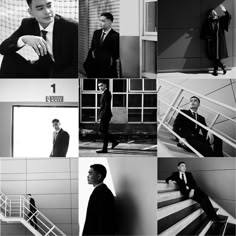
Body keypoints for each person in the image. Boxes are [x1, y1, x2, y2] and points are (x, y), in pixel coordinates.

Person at [0, 0, 78, 78]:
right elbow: (3, 49)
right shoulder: (28, 24)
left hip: (66, 75)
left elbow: (76, 66)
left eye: (49, 5)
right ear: (31, 12)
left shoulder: (72, 27)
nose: (47, 12)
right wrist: (24, 39)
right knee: (9, 59)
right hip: (43, 71)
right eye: (40, 8)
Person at [83, 12, 120, 78]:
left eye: (103, 21)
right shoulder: (96, 33)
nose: (100, 23)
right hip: (95, 66)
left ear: (110, 22)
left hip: (107, 68)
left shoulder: (115, 35)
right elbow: (92, 47)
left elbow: (115, 54)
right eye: (100, 20)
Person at [83, 164, 115, 236]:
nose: (87, 176)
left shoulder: (99, 192)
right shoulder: (104, 191)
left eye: (90, 173)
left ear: (99, 176)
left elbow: (94, 219)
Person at [201, 4, 231, 76]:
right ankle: (221, 66)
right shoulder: (207, 22)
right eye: (212, 13)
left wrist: (225, 11)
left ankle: (215, 71)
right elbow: (203, 32)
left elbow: (228, 17)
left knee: (217, 57)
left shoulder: (220, 19)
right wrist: (208, 37)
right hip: (212, 42)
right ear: (210, 15)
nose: (214, 13)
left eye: (214, 12)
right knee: (214, 57)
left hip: (220, 42)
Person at [96, 80, 119, 153]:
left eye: (101, 85)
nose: (100, 87)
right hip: (104, 115)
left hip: (105, 115)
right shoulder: (104, 93)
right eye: (99, 86)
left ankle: (104, 149)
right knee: (101, 130)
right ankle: (114, 141)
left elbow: (106, 106)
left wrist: (101, 116)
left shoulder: (106, 93)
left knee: (104, 132)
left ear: (105, 85)